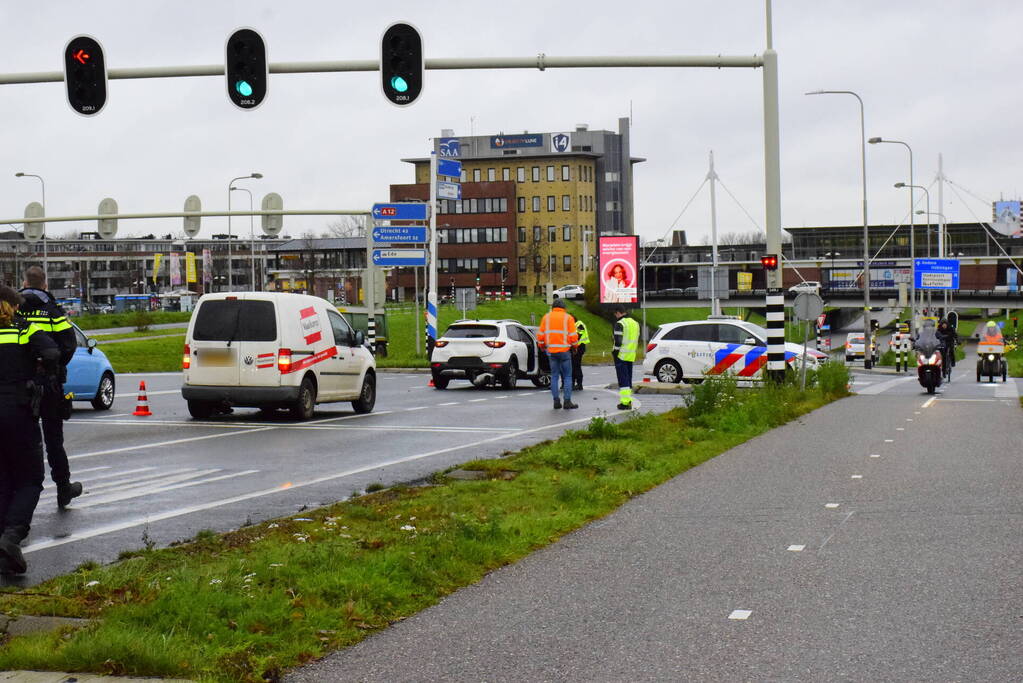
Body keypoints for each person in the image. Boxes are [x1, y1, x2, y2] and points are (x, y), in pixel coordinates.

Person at [0, 285, 60, 575]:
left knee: (2, 478)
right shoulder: (23, 329)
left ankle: (4, 548)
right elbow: (51, 351)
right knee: (29, 478)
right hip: (18, 413)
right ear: (12, 305)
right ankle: (12, 535)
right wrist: (40, 376)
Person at [19, 266, 82, 508]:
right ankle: (63, 489)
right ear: (45, 285)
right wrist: (54, 367)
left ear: (24, 283)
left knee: (25, 439)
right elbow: (69, 344)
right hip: (50, 384)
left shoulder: (14, 310)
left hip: (22, 384)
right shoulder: (53, 311)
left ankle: (23, 492)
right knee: (54, 440)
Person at [537, 298, 578, 409]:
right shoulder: (568, 318)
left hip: (551, 352)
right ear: (563, 308)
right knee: (567, 376)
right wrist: (575, 347)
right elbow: (573, 337)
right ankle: (567, 401)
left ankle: (556, 401)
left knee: (554, 376)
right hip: (565, 352)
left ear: (553, 307)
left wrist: (542, 346)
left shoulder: (546, 318)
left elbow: (540, 336)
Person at [612, 305, 640, 410]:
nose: (616, 317)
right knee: (628, 380)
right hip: (631, 355)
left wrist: (615, 352)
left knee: (623, 380)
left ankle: (625, 403)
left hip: (621, 355)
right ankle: (628, 400)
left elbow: (618, 341)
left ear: (618, 312)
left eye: (615, 314)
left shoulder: (620, 324)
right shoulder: (635, 323)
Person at [572, 317, 589, 391]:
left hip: (579, 348)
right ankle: (576, 384)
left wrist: (573, 345)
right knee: (574, 366)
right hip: (577, 347)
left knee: (576, 366)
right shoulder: (576, 324)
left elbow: (578, 335)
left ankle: (579, 384)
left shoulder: (579, 324)